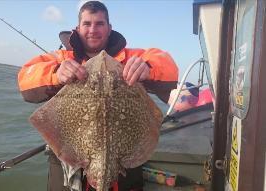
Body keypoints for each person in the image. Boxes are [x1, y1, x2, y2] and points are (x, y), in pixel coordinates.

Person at [18, 1, 178, 191]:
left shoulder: (128, 58)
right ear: (77, 29)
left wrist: (148, 67)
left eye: (99, 23)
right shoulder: (62, 59)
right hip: (69, 159)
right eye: (87, 24)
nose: (93, 29)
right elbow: (25, 78)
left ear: (109, 28)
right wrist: (56, 73)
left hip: (123, 162)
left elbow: (167, 64)